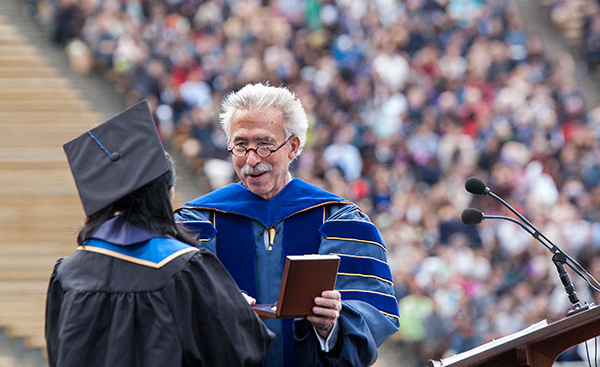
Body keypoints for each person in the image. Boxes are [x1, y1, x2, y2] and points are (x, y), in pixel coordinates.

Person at [175, 83, 400, 366]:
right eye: (241, 145)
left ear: (293, 146)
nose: (252, 159)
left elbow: (370, 312)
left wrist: (330, 326)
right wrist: (212, 313)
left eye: (265, 145)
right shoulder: (197, 222)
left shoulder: (339, 221)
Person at [45, 100, 274, 367]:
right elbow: (237, 351)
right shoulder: (183, 268)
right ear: (166, 195)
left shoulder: (67, 273)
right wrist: (234, 310)